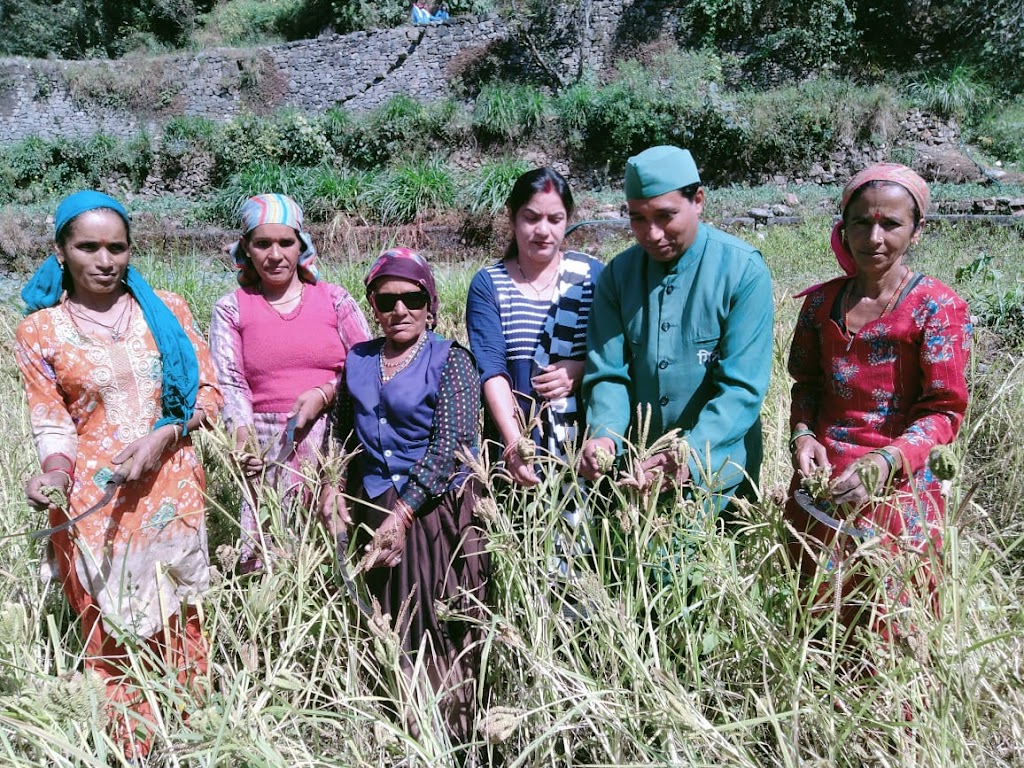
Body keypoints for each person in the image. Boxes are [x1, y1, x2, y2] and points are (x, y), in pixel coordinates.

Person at [16, 190, 222, 758]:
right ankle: (131, 747)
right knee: (107, 632)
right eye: (89, 247)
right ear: (61, 251)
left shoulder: (169, 311)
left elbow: (208, 394)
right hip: (93, 503)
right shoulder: (40, 332)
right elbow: (51, 422)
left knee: (180, 623)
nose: (104, 260)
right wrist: (50, 475)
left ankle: (192, 741)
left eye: (117, 247)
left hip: (171, 489)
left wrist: (166, 435)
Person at [786, 163, 971, 639]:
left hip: (898, 487)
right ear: (843, 227)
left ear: (916, 230)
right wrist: (803, 435)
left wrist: (885, 463)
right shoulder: (820, 304)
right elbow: (805, 383)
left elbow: (943, 410)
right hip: (823, 486)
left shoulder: (937, 307)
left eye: (890, 224)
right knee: (816, 623)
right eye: (861, 223)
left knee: (892, 628)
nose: (874, 237)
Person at [320, 247, 486, 740]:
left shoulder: (451, 360)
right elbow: (343, 431)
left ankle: (451, 731)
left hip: (434, 512)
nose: (400, 310)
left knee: (436, 621)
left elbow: (449, 446)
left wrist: (405, 513)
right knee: (387, 623)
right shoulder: (359, 360)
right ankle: (398, 726)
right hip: (376, 508)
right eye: (386, 300)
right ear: (372, 304)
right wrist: (333, 484)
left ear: (430, 302)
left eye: (412, 298)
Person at [579, 145, 773, 510]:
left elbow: (742, 388)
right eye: (637, 218)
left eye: (665, 216)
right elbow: (608, 374)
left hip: (719, 470)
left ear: (698, 200)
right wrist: (604, 438)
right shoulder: (618, 277)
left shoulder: (743, 271)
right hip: (635, 474)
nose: (651, 234)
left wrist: (691, 456)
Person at [209, 193, 370, 574]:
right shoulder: (231, 308)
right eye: (262, 243)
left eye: (285, 242)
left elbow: (368, 366)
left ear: (302, 245)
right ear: (246, 248)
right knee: (271, 549)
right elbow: (230, 381)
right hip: (266, 445)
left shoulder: (334, 300)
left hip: (332, 440)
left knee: (330, 547)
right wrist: (243, 435)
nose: (275, 254)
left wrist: (324, 394)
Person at [466, 167, 602, 572]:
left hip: (581, 439)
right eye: (531, 217)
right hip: (516, 431)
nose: (543, 230)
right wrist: (514, 445)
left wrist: (577, 369)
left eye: (554, 219)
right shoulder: (489, 284)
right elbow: (491, 370)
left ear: (567, 220)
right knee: (520, 547)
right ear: (512, 217)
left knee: (583, 549)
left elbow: (614, 351)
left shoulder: (590, 276)